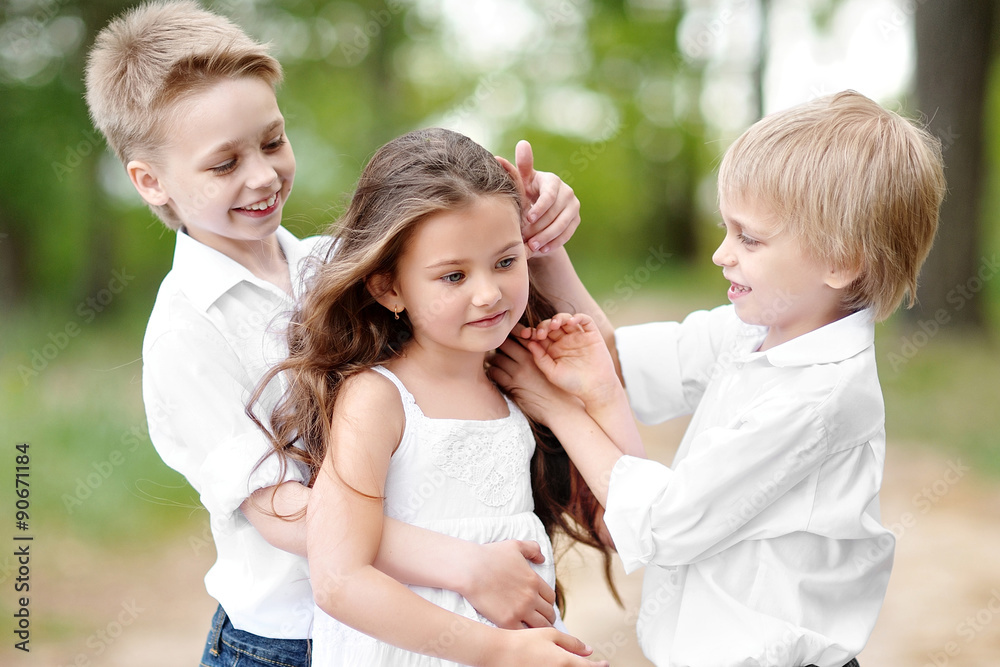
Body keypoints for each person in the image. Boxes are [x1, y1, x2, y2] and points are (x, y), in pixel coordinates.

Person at [84, 2, 586, 666]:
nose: (262, 175)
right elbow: (285, 512)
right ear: (151, 182)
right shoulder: (186, 334)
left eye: (271, 141)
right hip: (283, 641)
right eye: (223, 163)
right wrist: (465, 565)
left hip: (396, 624)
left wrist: (535, 225)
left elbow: (455, 255)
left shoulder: (332, 263)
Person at [489, 90, 947, 666]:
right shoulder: (756, 328)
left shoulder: (818, 398)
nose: (720, 254)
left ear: (842, 261)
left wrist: (557, 408)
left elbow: (663, 523)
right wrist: (544, 247)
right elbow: (613, 359)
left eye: (749, 238)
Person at [256, 127, 615, 666]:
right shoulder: (378, 400)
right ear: (389, 288)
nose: (489, 292)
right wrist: (496, 651)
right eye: (453, 275)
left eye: (506, 261)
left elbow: (627, 497)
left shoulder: (515, 381)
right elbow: (339, 579)